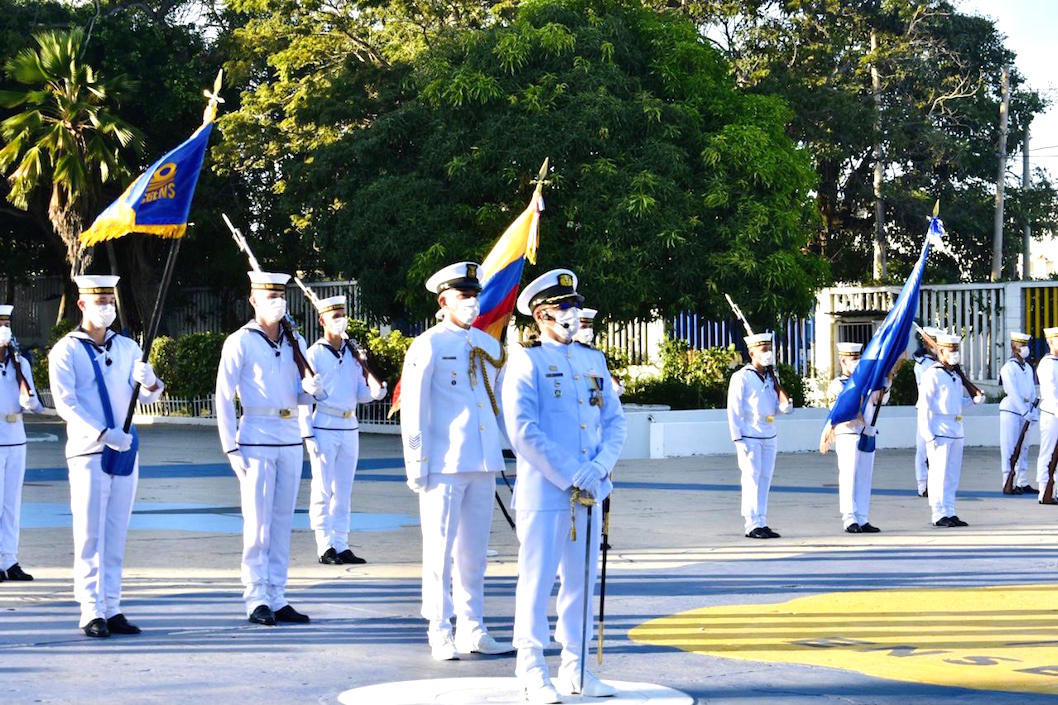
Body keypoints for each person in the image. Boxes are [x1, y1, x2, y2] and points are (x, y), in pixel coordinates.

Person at [502, 268, 627, 702]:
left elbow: (613, 421)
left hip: (591, 491)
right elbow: (522, 430)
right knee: (535, 581)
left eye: (574, 306)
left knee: (581, 581)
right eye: (563, 308)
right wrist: (574, 471)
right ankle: (531, 666)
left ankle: (576, 667)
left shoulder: (594, 361)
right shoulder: (526, 361)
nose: (572, 314)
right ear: (540, 315)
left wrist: (602, 465)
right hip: (546, 491)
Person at [399, 261, 512, 660]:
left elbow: (498, 405)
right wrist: (417, 462)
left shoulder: (489, 346)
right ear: (443, 300)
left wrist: (512, 450)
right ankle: (439, 629)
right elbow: (413, 408)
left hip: (482, 463)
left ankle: (473, 627)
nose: (472, 303)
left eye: (474, 295)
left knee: (474, 554)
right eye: (464, 296)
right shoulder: (427, 344)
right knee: (439, 551)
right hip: (443, 464)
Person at [49, 275, 165, 637]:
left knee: (116, 533)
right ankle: (90, 609)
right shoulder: (65, 350)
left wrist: (150, 382)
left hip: (125, 450)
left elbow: (146, 397)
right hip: (89, 451)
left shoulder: (127, 347)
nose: (107, 309)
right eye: (99, 303)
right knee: (89, 535)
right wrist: (102, 433)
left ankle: (112, 606)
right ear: (82, 305)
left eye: (110, 303)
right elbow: (66, 404)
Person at [216, 271, 325, 626]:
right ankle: (256, 597)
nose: (277, 301)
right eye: (269, 296)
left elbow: (298, 394)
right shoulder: (241, 341)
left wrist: (313, 391)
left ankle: (278, 595)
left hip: (290, 437)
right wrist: (230, 447)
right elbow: (222, 396)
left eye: (280, 295)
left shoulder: (296, 342)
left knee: (281, 523)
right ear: (254, 300)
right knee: (258, 524)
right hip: (256, 439)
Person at [300, 294, 386, 565]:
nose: (340, 321)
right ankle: (325, 545)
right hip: (324, 424)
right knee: (323, 488)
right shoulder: (314, 353)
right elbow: (305, 394)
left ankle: (341, 542)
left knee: (344, 489)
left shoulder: (352, 353)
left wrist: (374, 391)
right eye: (334, 316)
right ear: (322, 320)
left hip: (350, 425)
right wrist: (307, 432)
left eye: (342, 315)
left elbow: (357, 392)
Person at [727, 333, 792, 539]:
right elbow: (734, 410)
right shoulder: (742, 377)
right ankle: (751, 523)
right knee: (751, 479)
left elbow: (782, 408)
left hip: (769, 434)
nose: (768, 354)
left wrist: (776, 382)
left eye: (769, 350)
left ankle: (762, 521)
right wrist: (737, 439)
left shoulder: (771, 378)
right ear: (751, 352)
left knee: (765, 478)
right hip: (749, 435)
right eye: (763, 350)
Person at [0, 304, 44, 582]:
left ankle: (10, 559)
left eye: (6, 324)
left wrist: (30, 402)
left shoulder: (20, 362)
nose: (3, 330)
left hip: (16, 441)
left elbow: (35, 403)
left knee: (12, 504)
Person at [921, 332, 984, 526]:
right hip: (939, 429)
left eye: (956, 350)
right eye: (951, 350)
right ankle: (938, 514)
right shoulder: (932, 374)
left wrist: (974, 400)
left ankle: (949, 510)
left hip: (956, 429)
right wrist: (928, 434)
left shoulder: (955, 375)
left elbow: (956, 403)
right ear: (941, 351)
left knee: (951, 475)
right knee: (938, 474)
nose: (955, 354)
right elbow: (925, 406)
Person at [825, 342, 889, 534]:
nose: (856, 363)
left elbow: (881, 400)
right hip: (847, 434)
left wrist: (886, 381)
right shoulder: (838, 385)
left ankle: (862, 517)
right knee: (848, 476)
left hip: (867, 432)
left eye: (858, 359)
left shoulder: (867, 384)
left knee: (864, 477)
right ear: (842, 360)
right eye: (852, 359)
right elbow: (838, 411)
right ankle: (849, 517)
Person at [999, 331, 1038, 494]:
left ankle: (1022, 481)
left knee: (1024, 447)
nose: (1025, 348)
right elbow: (1013, 392)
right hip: (1012, 411)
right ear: (1014, 348)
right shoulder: (1008, 368)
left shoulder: (1028, 367)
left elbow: (1032, 390)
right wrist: (1024, 411)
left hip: (1026, 412)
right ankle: (1007, 481)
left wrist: (1033, 411)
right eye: (1021, 346)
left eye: (1025, 345)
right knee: (1010, 447)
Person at [912, 326, 943, 497]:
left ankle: (934, 482)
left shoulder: (938, 363)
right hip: (927, 409)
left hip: (940, 411)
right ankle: (922, 485)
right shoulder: (923, 365)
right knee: (923, 448)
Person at [575, 307, 624, 396]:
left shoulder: (594, 355)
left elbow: (600, 383)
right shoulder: (562, 354)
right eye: (583, 327)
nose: (588, 331)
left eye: (590, 327)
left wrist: (614, 386)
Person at [1035, 327, 1058, 503]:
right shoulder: (1047, 364)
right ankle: (1044, 490)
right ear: (1050, 342)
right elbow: (1050, 393)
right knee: (1049, 453)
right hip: (1052, 414)